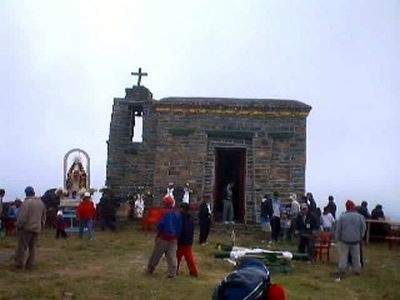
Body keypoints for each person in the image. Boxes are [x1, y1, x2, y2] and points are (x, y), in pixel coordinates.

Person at [212, 258, 287, 300]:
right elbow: (229, 295)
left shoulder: (265, 272)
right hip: (222, 293)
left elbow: (250, 261)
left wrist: (239, 273)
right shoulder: (251, 292)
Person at [147, 195, 182, 278]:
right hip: (174, 238)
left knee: (156, 254)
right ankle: (172, 273)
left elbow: (159, 224)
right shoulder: (177, 213)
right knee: (172, 256)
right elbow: (179, 226)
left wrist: (159, 231)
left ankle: (150, 269)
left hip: (163, 237)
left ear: (165, 203)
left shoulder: (162, 212)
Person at [15, 186, 46, 270]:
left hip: (26, 228)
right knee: (32, 248)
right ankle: (30, 264)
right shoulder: (40, 203)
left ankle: (19, 264)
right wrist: (41, 225)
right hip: (37, 228)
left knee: (22, 247)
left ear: (26, 193)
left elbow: (22, 217)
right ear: (34, 192)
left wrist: (19, 226)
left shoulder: (26, 202)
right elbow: (44, 216)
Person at [336, 200, 366, 277]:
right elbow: (363, 228)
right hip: (355, 240)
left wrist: (338, 237)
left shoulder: (342, 217)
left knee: (343, 256)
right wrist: (361, 237)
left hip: (344, 240)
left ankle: (342, 269)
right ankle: (357, 270)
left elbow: (339, 228)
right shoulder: (360, 217)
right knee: (356, 256)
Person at [177, 203, 198, 277]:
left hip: (182, 240)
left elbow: (181, 229)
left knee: (178, 257)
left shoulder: (181, 217)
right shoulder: (190, 218)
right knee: (189, 257)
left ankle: (174, 270)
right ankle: (194, 271)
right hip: (189, 240)